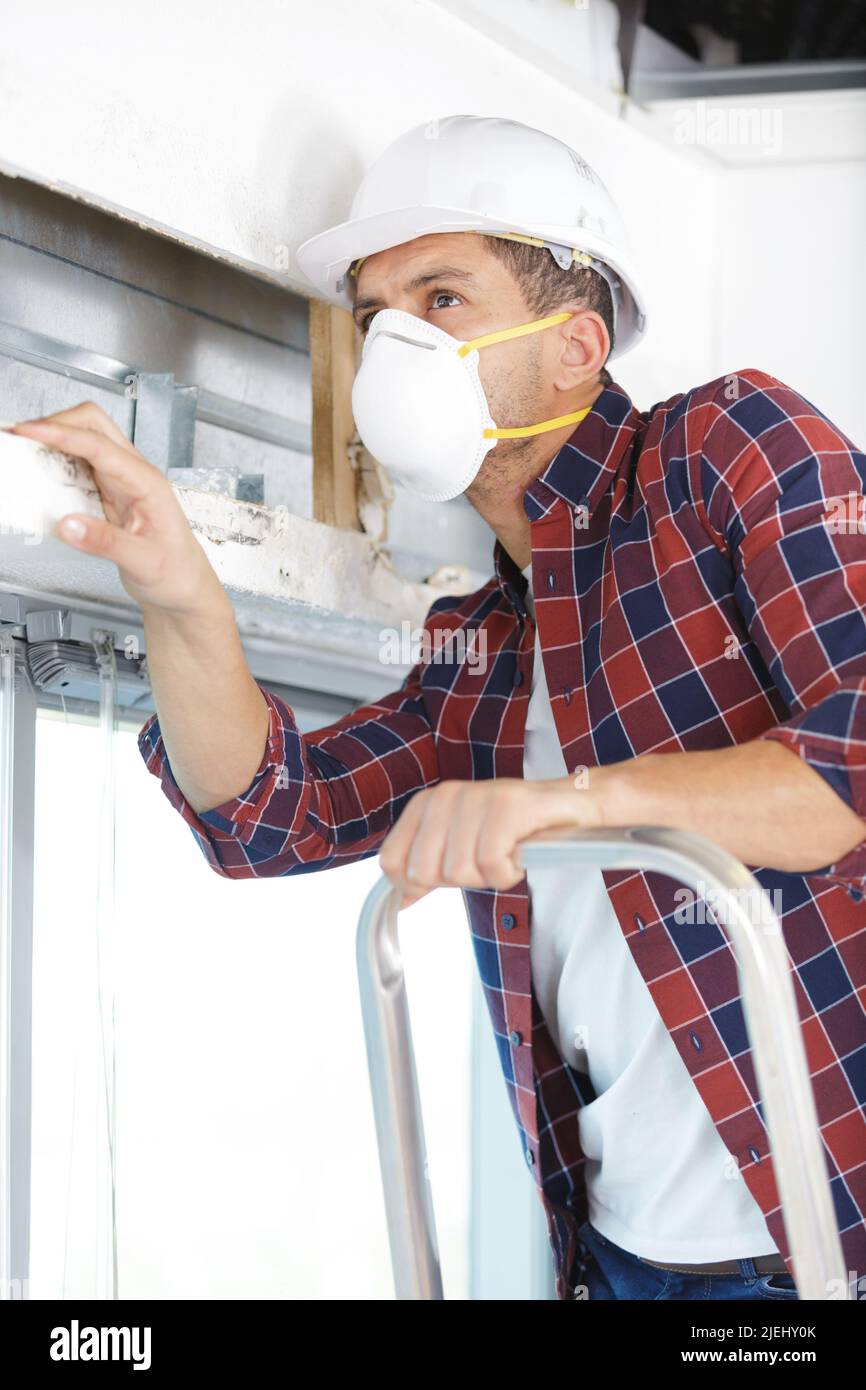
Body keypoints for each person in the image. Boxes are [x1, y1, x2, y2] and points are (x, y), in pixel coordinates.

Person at [8, 115, 865, 1302]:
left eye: (442, 296)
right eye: (375, 318)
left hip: (819, 1248)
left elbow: (850, 771)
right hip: (620, 1264)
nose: (395, 343)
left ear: (575, 344)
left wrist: (561, 806)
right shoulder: (481, 643)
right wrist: (176, 588)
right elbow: (265, 813)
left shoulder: (724, 449)